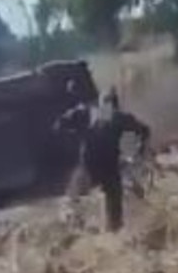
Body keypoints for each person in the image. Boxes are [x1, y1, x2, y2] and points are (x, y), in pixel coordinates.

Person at [58, 87, 151, 232]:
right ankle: (112, 230)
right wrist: (137, 151)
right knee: (113, 201)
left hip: (89, 163)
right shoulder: (121, 118)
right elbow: (145, 131)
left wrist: (75, 135)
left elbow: (60, 124)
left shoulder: (87, 112)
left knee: (74, 197)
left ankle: (75, 226)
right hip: (109, 164)